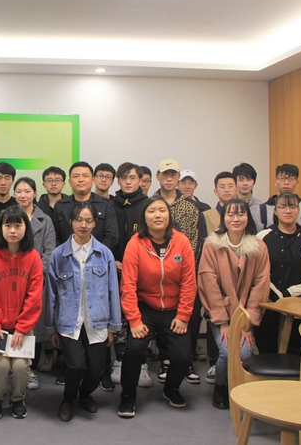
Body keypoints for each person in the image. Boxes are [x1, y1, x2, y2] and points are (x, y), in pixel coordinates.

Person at [117, 196, 196, 418]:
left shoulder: (181, 242)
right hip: (145, 308)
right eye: (152, 211)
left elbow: (189, 283)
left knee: (183, 356)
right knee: (134, 350)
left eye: (162, 210)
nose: (157, 215)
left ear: (169, 215)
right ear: (144, 217)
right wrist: (134, 320)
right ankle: (128, 395)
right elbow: (128, 285)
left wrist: (183, 316)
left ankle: (171, 389)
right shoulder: (135, 244)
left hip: (174, 310)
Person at [45, 202, 121, 422]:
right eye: (79, 220)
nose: (83, 225)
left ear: (95, 224)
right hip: (69, 321)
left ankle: (85, 395)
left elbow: (113, 291)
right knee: (76, 366)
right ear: (71, 222)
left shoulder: (104, 253)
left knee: (96, 370)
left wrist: (113, 326)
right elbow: (50, 294)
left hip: (98, 321)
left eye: (88, 221)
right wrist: (51, 329)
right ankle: (68, 400)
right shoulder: (59, 255)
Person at [198, 198, 270, 410]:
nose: (235, 218)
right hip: (220, 314)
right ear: (224, 218)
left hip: (245, 315)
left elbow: (261, 284)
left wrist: (247, 324)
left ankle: (238, 388)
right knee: (228, 352)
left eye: (240, 214)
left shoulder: (258, 247)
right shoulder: (212, 244)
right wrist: (223, 322)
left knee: (245, 353)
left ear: (248, 217)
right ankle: (221, 385)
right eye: (230, 214)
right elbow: (208, 283)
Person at [0, 206, 42, 420]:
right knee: (0, 365)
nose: (12, 230)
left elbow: (34, 297)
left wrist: (23, 328)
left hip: (22, 327)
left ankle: (17, 399)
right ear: (0, 228)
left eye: (17, 225)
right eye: (8, 225)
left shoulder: (33, 257)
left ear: (26, 228)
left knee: (21, 366)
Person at [255, 192, 301, 354]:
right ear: (275, 211)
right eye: (282, 207)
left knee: (298, 354)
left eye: (292, 206)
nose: (288, 211)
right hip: (268, 305)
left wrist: (290, 293)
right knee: (268, 353)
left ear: (298, 210)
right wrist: (275, 294)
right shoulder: (262, 238)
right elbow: (256, 270)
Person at [154, 159, 204, 382]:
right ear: (158, 176)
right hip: (156, 273)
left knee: (188, 316)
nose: (169, 178)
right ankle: (165, 360)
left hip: (182, 271)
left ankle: (187, 360)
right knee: (161, 316)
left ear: (177, 178)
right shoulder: (150, 203)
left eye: (173, 174)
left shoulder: (190, 206)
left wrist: (182, 268)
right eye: (165, 174)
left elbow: (193, 242)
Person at [109, 162, 149, 390]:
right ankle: (119, 360)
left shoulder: (148, 205)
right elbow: (107, 236)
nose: (128, 182)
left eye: (132, 177)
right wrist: (113, 260)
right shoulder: (110, 205)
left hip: (142, 270)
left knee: (140, 315)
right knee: (119, 314)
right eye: (123, 178)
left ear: (141, 180)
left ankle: (141, 362)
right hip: (115, 268)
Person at [13, 177, 56, 391]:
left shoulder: (44, 220)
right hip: (11, 280)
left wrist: (35, 273)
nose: (23, 195)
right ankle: (13, 367)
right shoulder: (8, 217)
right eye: (19, 191)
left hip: (36, 280)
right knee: (12, 324)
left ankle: (32, 371)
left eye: (27, 191)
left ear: (35, 193)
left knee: (34, 327)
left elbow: (50, 252)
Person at [53, 161, 118, 252]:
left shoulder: (106, 204)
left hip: (98, 256)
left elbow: (111, 236)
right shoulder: (60, 205)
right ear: (70, 182)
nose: (81, 179)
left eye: (85, 176)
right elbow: (54, 237)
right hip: (67, 257)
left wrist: (94, 254)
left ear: (93, 180)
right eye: (76, 176)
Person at [258, 163, 301, 236]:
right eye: (282, 178)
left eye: (291, 179)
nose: (286, 182)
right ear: (275, 182)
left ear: (297, 182)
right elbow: (257, 237)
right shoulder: (262, 209)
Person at [233, 162, 263, 229]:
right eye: (241, 180)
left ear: (254, 182)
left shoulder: (260, 206)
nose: (245, 183)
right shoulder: (229, 206)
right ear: (235, 182)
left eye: (249, 179)